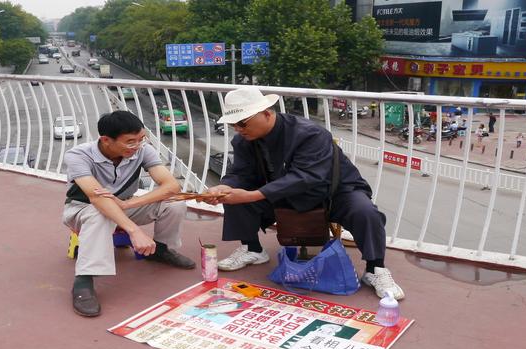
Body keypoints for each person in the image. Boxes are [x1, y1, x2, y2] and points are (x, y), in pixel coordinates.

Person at [201, 87, 404, 300]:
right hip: (281, 193)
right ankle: (253, 249)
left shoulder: (309, 134)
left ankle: (375, 269)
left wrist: (253, 195)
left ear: (267, 113)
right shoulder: (243, 141)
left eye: (243, 123)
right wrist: (224, 187)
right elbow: (241, 173)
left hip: (333, 191)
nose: (238, 129)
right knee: (233, 197)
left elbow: (307, 177)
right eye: (233, 124)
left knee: (365, 211)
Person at [62, 111, 195, 317]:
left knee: (173, 202)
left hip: (124, 204)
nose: (137, 146)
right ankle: (84, 280)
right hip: (83, 208)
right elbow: (97, 198)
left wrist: (128, 204)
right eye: (130, 142)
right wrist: (134, 231)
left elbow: (171, 186)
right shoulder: (78, 155)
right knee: (100, 213)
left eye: (141, 139)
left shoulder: (142, 151)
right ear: (106, 140)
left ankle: (161, 250)